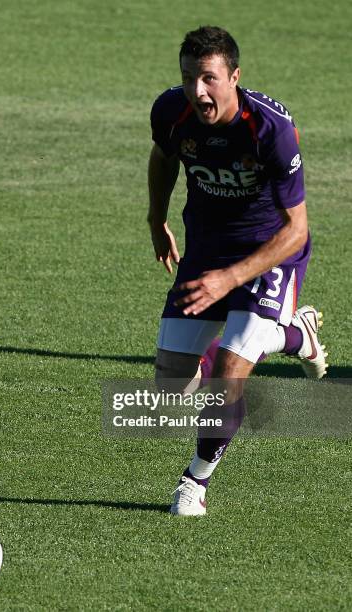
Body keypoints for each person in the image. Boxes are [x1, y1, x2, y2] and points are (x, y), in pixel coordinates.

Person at [147, 26, 328, 516]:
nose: (197, 91)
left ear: (234, 77)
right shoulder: (171, 111)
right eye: (189, 78)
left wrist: (230, 280)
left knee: (228, 373)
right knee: (170, 392)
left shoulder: (269, 129)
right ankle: (295, 334)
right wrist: (156, 217)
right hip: (206, 252)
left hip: (271, 251)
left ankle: (194, 483)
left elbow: (296, 230)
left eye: (208, 79)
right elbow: (165, 157)